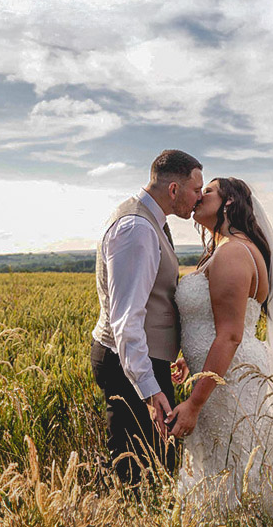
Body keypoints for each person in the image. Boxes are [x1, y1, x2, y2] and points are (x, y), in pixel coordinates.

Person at [167, 177, 273, 517]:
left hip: (229, 381)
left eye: (206, 191)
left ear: (228, 202)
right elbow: (214, 324)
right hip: (223, 373)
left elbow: (229, 335)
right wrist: (190, 355)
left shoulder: (233, 253)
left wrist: (194, 404)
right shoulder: (226, 249)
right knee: (232, 468)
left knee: (232, 467)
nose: (198, 196)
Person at [90, 150, 204, 485]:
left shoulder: (149, 222)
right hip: (128, 364)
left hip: (142, 360)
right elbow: (127, 320)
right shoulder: (137, 229)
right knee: (139, 475)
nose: (199, 199)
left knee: (156, 466)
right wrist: (149, 389)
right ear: (173, 190)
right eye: (195, 190)